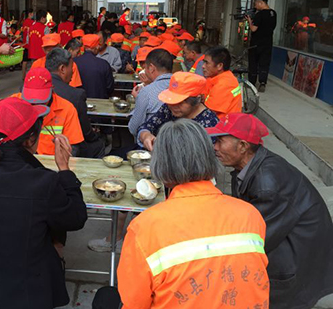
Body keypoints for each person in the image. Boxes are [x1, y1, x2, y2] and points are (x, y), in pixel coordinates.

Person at [108, 119, 269, 309]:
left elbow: (135, 303)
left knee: (107, 297)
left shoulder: (145, 227)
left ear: (161, 166)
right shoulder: (250, 215)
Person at [0, 97, 87, 309]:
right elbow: (75, 218)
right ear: (30, 140)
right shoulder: (44, 181)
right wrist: (64, 169)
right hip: (26, 295)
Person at [208, 113, 333, 309]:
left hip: (299, 249)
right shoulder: (248, 166)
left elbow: (257, 237)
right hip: (291, 233)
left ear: (242, 146)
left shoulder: (267, 183)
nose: (215, 147)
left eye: (220, 141)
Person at [46, 48, 105, 158]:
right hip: (66, 148)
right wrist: (96, 135)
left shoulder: (29, 91)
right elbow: (86, 133)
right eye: (71, 67)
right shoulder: (75, 95)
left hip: (38, 145)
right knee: (99, 145)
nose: (73, 71)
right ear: (62, 69)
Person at [11, 68, 84, 156]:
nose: (36, 104)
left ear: (52, 89)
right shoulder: (12, 104)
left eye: (41, 100)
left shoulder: (67, 109)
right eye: (31, 100)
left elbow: (74, 147)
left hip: (52, 163)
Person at [138, 72, 219, 151]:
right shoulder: (169, 108)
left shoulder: (210, 124)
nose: (173, 106)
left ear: (196, 100)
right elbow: (147, 126)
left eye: (180, 102)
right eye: (171, 100)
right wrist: (146, 136)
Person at [128, 49, 172, 137]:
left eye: (145, 68)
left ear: (151, 68)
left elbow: (133, 128)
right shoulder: (181, 86)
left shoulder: (146, 92)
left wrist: (139, 99)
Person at [246, 0, 277, 92]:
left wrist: (250, 21)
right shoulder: (273, 13)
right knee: (264, 63)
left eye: (256, 4)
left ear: (261, 2)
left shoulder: (259, 15)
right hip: (268, 43)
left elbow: (253, 29)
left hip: (256, 43)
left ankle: (252, 82)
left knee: (253, 62)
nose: (255, 6)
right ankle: (263, 82)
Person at [202, 46, 242, 119]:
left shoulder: (224, 83)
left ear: (219, 66)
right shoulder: (214, 77)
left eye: (206, 63)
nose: (203, 66)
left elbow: (208, 111)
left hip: (223, 126)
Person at [74, 34, 114, 99]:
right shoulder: (104, 64)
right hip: (100, 102)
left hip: (79, 101)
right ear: (96, 47)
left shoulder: (73, 62)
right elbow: (110, 87)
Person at [21, 8, 35, 80]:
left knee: (25, 61)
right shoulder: (32, 22)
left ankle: (23, 76)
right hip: (31, 43)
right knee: (33, 61)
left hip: (25, 43)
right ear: (30, 14)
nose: (33, 15)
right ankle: (32, 77)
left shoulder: (24, 22)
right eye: (32, 13)